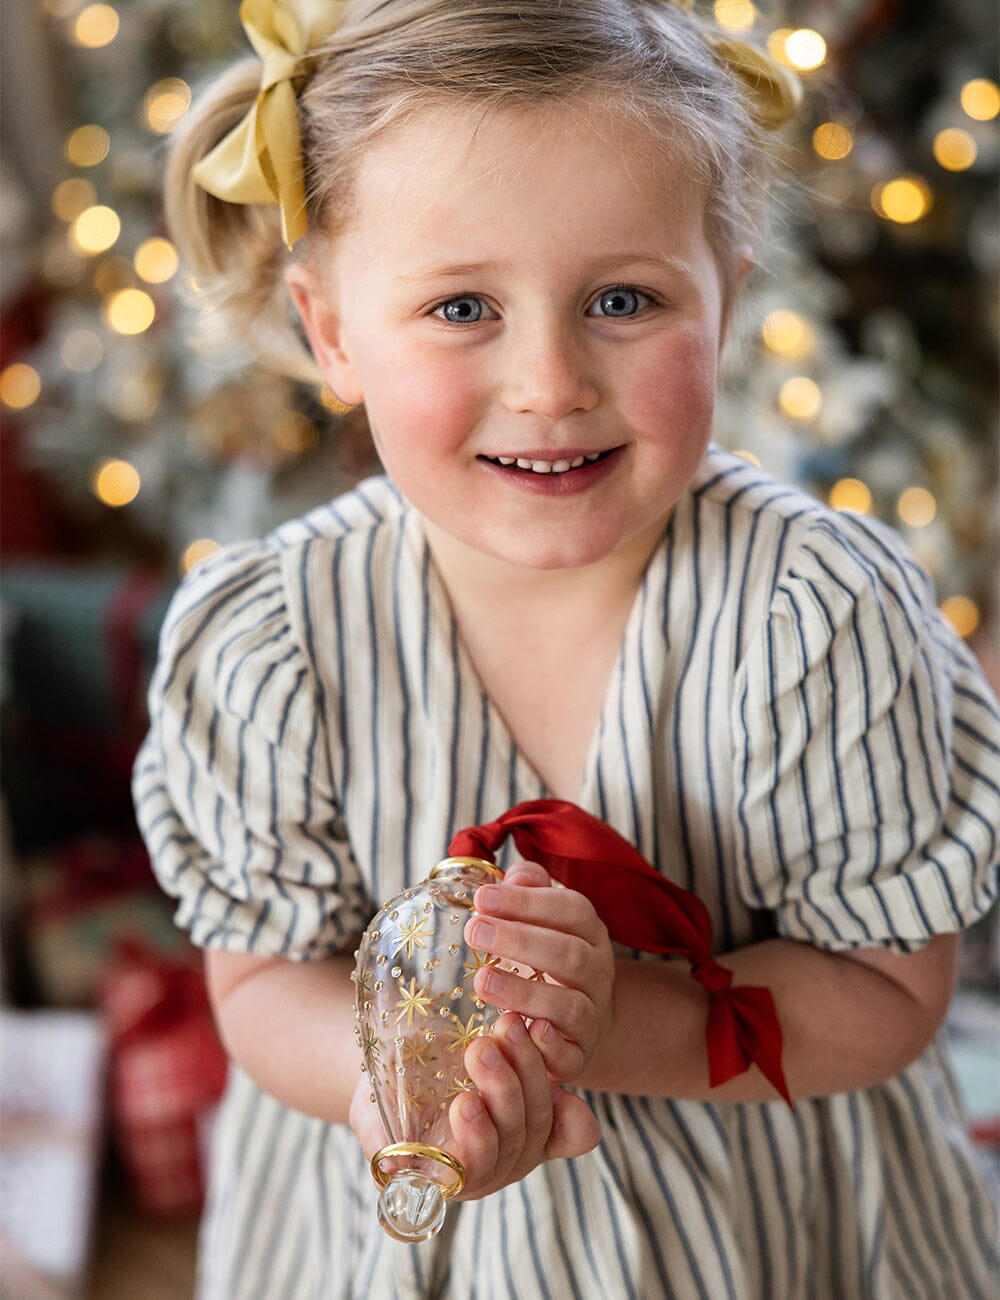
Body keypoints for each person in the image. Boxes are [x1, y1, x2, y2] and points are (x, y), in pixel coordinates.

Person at [133, 0, 1000, 1295]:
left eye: (621, 298)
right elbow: (263, 980)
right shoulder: (273, 642)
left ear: (728, 300)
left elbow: (883, 989)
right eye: (463, 305)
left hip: (777, 1234)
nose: (549, 380)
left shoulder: (817, 615)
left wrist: (606, 1025)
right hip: (395, 1244)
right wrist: (402, 1096)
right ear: (332, 331)